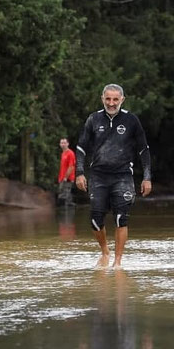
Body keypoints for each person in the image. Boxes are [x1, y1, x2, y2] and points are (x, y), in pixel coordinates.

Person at [75, 84, 152, 268]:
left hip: (123, 176)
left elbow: (144, 150)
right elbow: (81, 148)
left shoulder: (131, 120)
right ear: (102, 98)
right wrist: (79, 173)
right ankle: (105, 252)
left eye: (115, 99)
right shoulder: (93, 119)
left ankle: (117, 262)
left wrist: (147, 177)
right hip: (98, 176)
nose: (111, 103)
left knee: (120, 218)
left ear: (122, 100)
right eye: (108, 99)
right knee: (95, 220)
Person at [57, 137, 76, 206]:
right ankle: (66, 213)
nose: (63, 144)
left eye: (64, 143)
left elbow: (71, 167)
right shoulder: (63, 153)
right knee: (63, 194)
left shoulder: (70, 153)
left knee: (64, 196)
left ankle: (66, 213)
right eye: (62, 143)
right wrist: (60, 178)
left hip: (68, 178)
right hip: (62, 178)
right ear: (60, 144)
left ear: (68, 144)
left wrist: (65, 177)